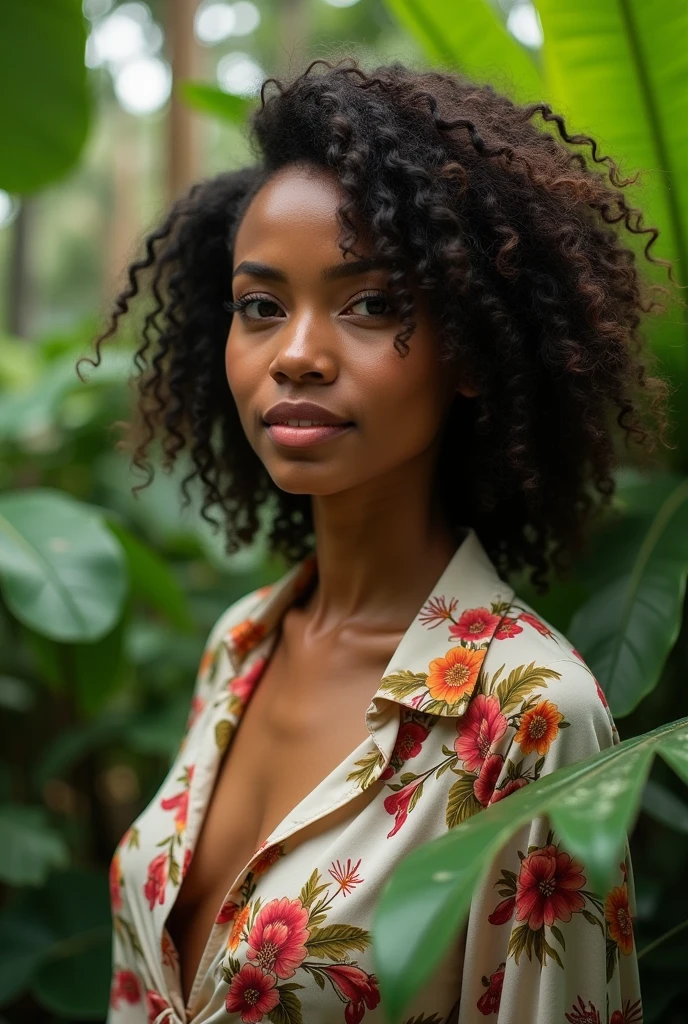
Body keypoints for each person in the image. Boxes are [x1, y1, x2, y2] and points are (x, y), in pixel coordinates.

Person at [89, 56, 673, 1024]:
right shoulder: (239, 644)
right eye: (260, 306)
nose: (298, 354)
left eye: (372, 305)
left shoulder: (529, 715)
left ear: (474, 355)